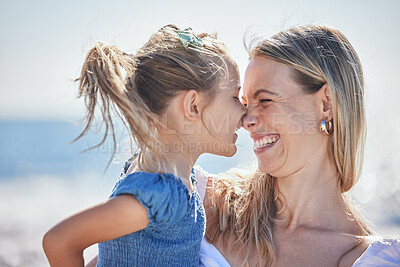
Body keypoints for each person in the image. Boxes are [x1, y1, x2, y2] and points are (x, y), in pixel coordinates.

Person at [42, 24, 246, 266]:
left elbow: (117, 253)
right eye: (235, 97)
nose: (245, 111)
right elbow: (60, 241)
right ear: (193, 106)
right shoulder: (164, 192)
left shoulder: (166, 177)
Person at [201, 25, 400, 266]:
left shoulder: (374, 260)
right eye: (244, 104)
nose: (246, 120)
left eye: (265, 100)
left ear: (326, 104)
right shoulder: (207, 204)